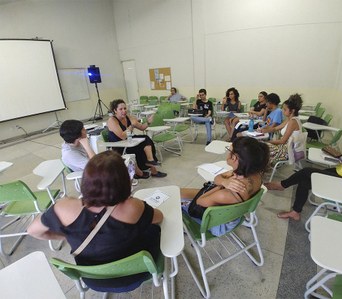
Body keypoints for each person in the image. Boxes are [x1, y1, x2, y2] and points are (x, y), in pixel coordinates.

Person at [28, 151, 163, 290]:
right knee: (153, 229)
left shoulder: (63, 207)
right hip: (134, 276)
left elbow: (32, 231)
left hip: (92, 280)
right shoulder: (133, 207)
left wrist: (64, 236)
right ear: (124, 181)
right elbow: (159, 217)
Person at [181, 137, 269, 236]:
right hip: (233, 216)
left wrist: (220, 186)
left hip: (218, 226)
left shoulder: (226, 194)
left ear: (234, 158)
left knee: (178, 199)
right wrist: (224, 182)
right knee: (181, 192)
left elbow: (199, 201)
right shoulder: (255, 174)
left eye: (229, 150)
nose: (227, 154)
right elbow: (218, 178)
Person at [107, 99, 167, 178]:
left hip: (129, 142)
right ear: (115, 110)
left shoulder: (128, 117)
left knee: (146, 139)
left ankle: (150, 161)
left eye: (125, 108)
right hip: (120, 146)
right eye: (120, 109)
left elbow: (142, 128)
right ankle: (140, 173)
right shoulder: (112, 120)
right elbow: (122, 136)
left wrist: (148, 122)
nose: (124, 111)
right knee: (140, 145)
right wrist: (132, 126)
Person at [266, 93, 303, 165]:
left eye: (285, 109)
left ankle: (259, 170)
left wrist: (268, 142)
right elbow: (275, 128)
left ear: (292, 111)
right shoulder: (290, 119)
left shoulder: (293, 122)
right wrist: (263, 130)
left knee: (261, 148)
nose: (282, 111)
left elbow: (282, 141)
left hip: (286, 151)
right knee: (260, 146)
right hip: (284, 147)